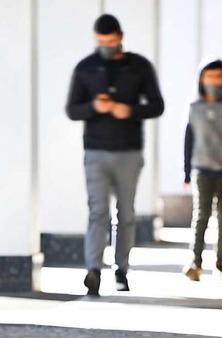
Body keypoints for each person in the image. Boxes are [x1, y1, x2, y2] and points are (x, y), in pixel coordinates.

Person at [66, 14, 164, 296]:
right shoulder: (86, 68)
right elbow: (73, 110)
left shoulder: (139, 66)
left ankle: (121, 269)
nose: (106, 47)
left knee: (126, 213)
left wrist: (130, 110)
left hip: (129, 151)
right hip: (95, 151)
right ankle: (93, 270)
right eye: (101, 42)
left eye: (110, 41)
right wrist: (94, 106)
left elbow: (157, 105)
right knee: (97, 211)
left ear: (120, 36)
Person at [182, 59, 222, 281]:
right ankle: (195, 261)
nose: (214, 81)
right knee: (201, 216)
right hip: (201, 168)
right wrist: (186, 171)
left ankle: (220, 263)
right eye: (209, 77)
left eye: (218, 77)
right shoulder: (194, 108)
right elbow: (188, 140)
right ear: (201, 79)